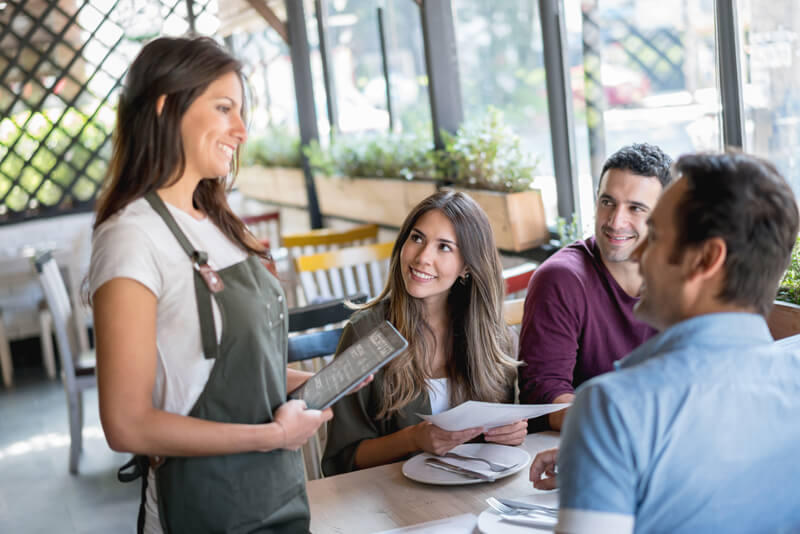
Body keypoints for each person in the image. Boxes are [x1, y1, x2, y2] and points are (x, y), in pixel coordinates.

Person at [90, 36, 334, 533]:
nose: (241, 130)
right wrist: (271, 436)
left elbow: (217, 366)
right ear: (165, 107)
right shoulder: (131, 238)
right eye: (224, 108)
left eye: (241, 112)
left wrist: (327, 384)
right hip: (204, 510)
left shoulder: (220, 222)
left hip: (279, 498)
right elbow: (127, 423)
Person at [531, 152, 800, 533]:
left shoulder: (613, 408)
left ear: (705, 259)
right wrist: (604, 463)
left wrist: (599, 443)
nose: (638, 254)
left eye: (654, 235)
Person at [322, 191, 526, 475]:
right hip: (387, 504)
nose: (422, 257)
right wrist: (412, 439)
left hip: (474, 494)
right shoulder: (366, 333)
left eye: (444, 247)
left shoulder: (492, 335)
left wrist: (512, 434)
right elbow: (342, 459)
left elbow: (497, 437)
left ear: (467, 266)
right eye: (417, 238)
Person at [518, 143, 672, 430]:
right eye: (607, 202)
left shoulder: (684, 276)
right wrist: (629, 425)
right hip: (585, 445)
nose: (616, 221)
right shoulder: (561, 279)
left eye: (635, 208)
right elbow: (543, 395)